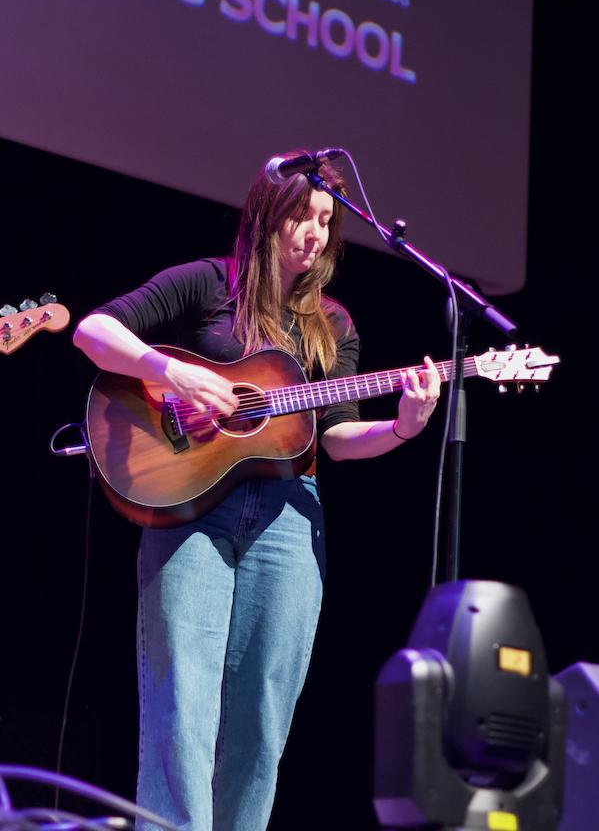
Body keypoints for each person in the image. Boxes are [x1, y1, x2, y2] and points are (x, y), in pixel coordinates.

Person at [73, 150, 440, 831]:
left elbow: (335, 436)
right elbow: (93, 329)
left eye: (326, 221)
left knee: (261, 724)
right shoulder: (206, 282)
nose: (315, 232)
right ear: (266, 215)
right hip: (191, 516)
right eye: (302, 215)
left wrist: (402, 426)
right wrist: (172, 373)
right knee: (182, 707)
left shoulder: (332, 323)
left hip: (288, 527)